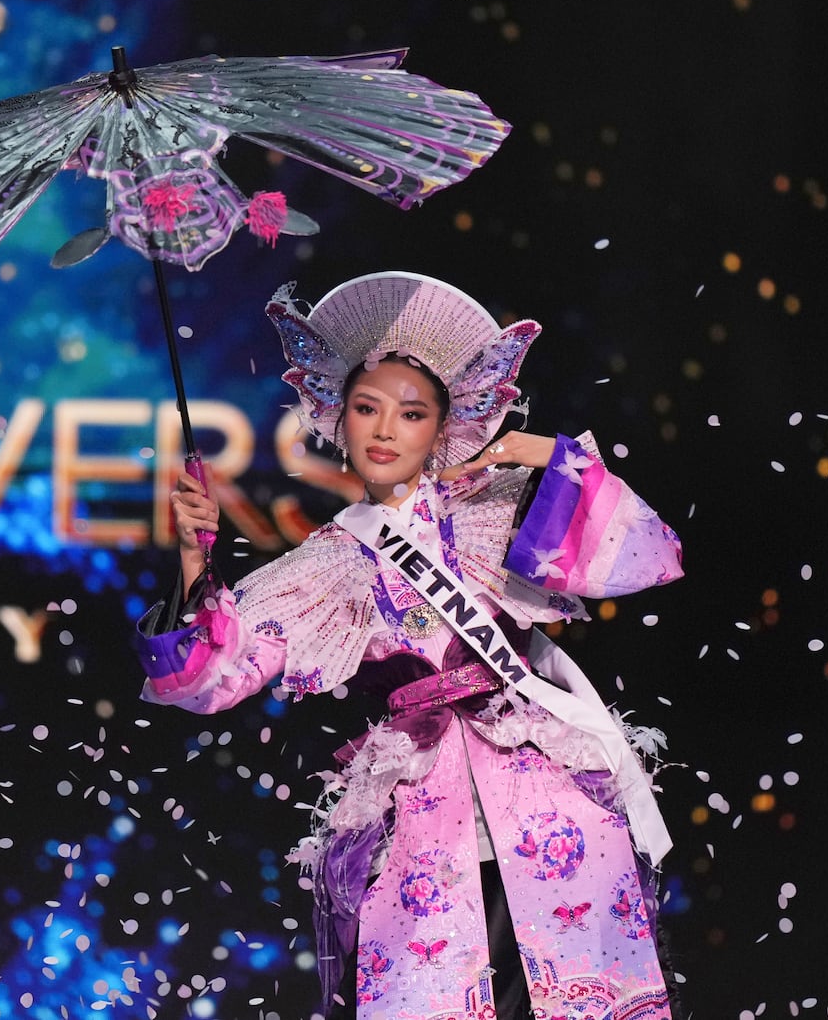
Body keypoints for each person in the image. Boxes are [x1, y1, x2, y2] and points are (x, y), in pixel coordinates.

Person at [133, 272, 682, 1020]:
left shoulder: (493, 511)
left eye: (411, 412)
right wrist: (196, 567)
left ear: (441, 426)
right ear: (339, 416)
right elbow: (209, 681)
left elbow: (648, 555)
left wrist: (533, 450)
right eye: (367, 407)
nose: (385, 430)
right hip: (423, 828)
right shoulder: (318, 565)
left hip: (544, 808)